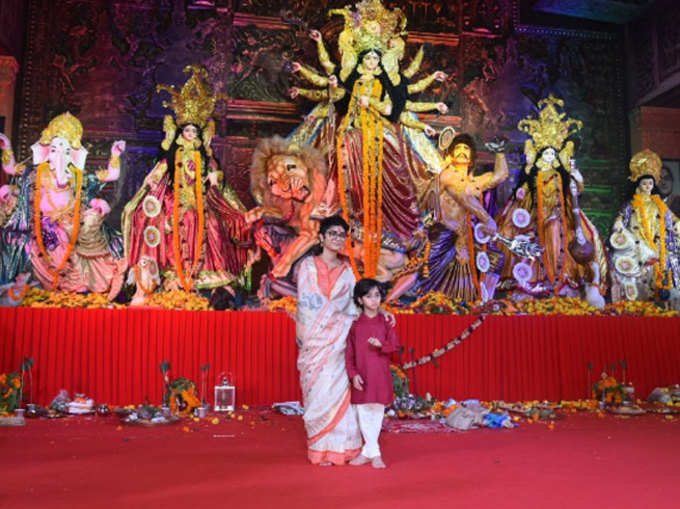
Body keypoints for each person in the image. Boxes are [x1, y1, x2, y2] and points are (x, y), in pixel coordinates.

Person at [122, 66, 250, 292]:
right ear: (181, 133)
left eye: (194, 131)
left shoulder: (203, 155)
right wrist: (151, 182)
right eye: (187, 131)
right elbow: (161, 170)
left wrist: (215, 176)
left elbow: (216, 174)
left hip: (202, 199)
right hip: (175, 198)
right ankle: (173, 272)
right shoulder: (174, 154)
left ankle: (206, 275)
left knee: (212, 223)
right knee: (184, 219)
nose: (191, 134)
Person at [495, 95, 607, 307]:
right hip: (534, 215)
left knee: (570, 239)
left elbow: (575, 191)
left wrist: (576, 176)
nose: (547, 156)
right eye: (544, 153)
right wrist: (521, 196)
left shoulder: (561, 175)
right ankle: (528, 285)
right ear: (539, 155)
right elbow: (522, 191)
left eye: (550, 153)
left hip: (559, 215)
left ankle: (565, 284)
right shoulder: (534, 174)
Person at [295, 215, 362, 465]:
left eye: (341, 235)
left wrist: (379, 313)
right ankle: (320, 448)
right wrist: (335, 318)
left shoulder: (347, 272)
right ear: (321, 237)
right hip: (316, 341)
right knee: (318, 394)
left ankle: (342, 449)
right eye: (332, 234)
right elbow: (306, 304)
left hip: (339, 344)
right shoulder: (308, 266)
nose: (337, 239)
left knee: (338, 393)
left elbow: (355, 304)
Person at [610, 149, 680, 303]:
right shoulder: (631, 205)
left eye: (650, 183)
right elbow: (621, 218)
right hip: (638, 249)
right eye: (644, 183)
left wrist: (677, 224)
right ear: (638, 184)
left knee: (662, 283)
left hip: (658, 249)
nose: (647, 186)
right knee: (639, 285)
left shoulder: (659, 204)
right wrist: (619, 222)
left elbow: (673, 219)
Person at [346, 278, 400, 469]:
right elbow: (349, 353)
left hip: (380, 375)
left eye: (377, 295)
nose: (373, 300)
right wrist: (353, 374)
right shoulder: (354, 325)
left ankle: (370, 452)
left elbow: (395, 345)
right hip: (362, 374)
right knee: (362, 412)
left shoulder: (385, 322)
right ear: (360, 300)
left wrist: (382, 346)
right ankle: (373, 452)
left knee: (377, 412)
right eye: (368, 296)